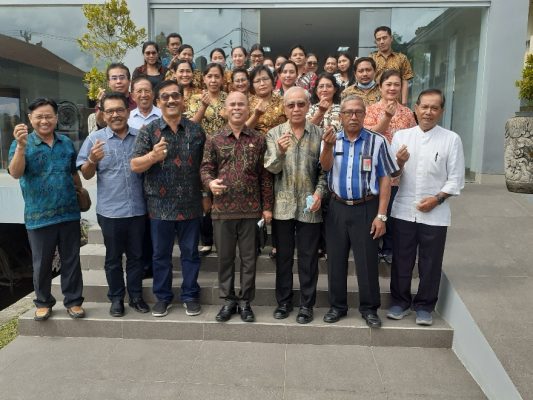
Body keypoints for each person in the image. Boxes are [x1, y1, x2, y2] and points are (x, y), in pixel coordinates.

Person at [320, 95, 398, 328]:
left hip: (366, 207)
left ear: (365, 114)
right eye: (348, 112)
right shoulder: (332, 139)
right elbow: (325, 167)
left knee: (366, 261)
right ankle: (337, 306)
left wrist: (381, 215)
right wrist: (328, 147)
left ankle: (369, 309)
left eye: (358, 112)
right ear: (341, 116)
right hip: (337, 207)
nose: (353, 116)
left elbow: (386, 178)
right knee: (335, 260)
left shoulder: (378, 141)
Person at [387, 89, 464, 326]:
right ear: (416, 108)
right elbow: (392, 174)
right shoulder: (401, 136)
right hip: (404, 209)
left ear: (441, 111)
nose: (428, 112)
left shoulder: (451, 139)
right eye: (424, 107)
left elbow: (456, 179)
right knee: (402, 259)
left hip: (436, 212)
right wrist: (399, 163)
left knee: (430, 262)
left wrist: (437, 199)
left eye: (434, 108)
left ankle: (424, 306)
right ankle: (399, 302)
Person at [131, 80, 206, 318]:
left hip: (190, 204)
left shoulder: (196, 131)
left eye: (175, 96)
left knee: (190, 254)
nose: (171, 100)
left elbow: (205, 167)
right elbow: (134, 165)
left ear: (183, 100)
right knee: (160, 255)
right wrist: (152, 156)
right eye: (165, 97)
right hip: (159, 206)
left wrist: (206, 194)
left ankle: (190, 295)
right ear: (158, 102)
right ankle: (162, 297)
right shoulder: (149, 131)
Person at [8, 97, 85, 321]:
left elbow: (73, 172)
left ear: (56, 118)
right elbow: (15, 173)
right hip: (38, 215)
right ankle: (43, 301)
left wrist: (81, 193)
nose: (44, 121)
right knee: (41, 262)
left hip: (69, 212)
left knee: (71, 259)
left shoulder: (66, 142)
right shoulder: (22, 143)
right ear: (30, 118)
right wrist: (21, 147)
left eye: (49, 116)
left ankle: (73, 301)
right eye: (39, 117)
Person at [200, 91, 273, 323]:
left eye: (241, 104)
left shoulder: (259, 139)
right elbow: (205, 168)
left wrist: (267, 206)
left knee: (249, 259)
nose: (237, 108)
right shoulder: (214, 139)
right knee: (225, 258)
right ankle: (228, 300)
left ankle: (245, 302)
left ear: (248, 108)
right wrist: (210, 183)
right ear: (225, 109)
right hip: (222, 209)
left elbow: (265, 176)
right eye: (232, 104)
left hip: (251, 210)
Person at [77, 92, 149, 317]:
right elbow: (86, 174)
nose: (115, 115)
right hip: (110, 212)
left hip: (138, 209)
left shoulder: (141, 137)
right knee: (113, 259)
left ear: (128, 111)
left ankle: (136, 296)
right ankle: (116, 298)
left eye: (119, 110)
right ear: (102, 114)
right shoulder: (94, 139)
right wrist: (92, 160)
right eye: (110, 111)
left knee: (137, 257)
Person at [264, 87, 327, 325]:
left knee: (308, 259)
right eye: (291, 105)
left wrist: (319, 193)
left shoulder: (319, 134)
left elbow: (325, 171)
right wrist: (280, 152)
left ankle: (306, 305)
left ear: (308, 106)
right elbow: (271, 169)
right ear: (284, 108)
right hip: (282, 207)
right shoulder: (274, 134)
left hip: (310, 207)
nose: (296, 109)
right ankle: (283, 302)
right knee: (283, 258)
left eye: (301, 104)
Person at [364, 69, 417, 263]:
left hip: (399, 170)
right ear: (380, 87)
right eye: (388, 84)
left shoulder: (408, 113)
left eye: (396, 84)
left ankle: (388, 248)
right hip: (374, 169)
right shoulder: (370, 110)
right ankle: (372, 248)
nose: (393, 88)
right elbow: (370, 135)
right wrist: (386, 116)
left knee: (393, 210)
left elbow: (414, 139)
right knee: (374, 209)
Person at [185, 63, 228, 257]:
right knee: (205, 196)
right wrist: (203, 106)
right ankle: (207, 240)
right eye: (210, 76)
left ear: (222, 79)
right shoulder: (196, 99)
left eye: (217, 76)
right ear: (204, 78)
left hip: (225, 152)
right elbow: (191, 126)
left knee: (223, 193)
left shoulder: (228, 98)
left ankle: (225, 240)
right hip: (202, 152)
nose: (213, 80)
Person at [371, 26, 414, 105]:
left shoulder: (402, 58)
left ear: (391, 38)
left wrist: (404, 103)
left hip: (396, 102)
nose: (381, 42)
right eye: (378, 39)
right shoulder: (371, 59)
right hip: (375, 101)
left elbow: (405, 80)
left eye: (384, 38)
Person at [247, 65, 286, 135]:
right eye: (257, 81)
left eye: (265, 79)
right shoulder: (247, 103)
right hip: (254, 141)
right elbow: (243, 131)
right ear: (252, 85)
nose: (262, 83)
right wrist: (256, 115)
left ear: (272, 81)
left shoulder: (283, 101)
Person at [95, 63, 136, 128]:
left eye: (122, 78)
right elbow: (101, 124)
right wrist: (101, 103)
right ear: (108, 83)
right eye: (114, 78)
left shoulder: (137, 100)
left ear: (129, 81)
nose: (118, 81)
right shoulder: (103, 102)